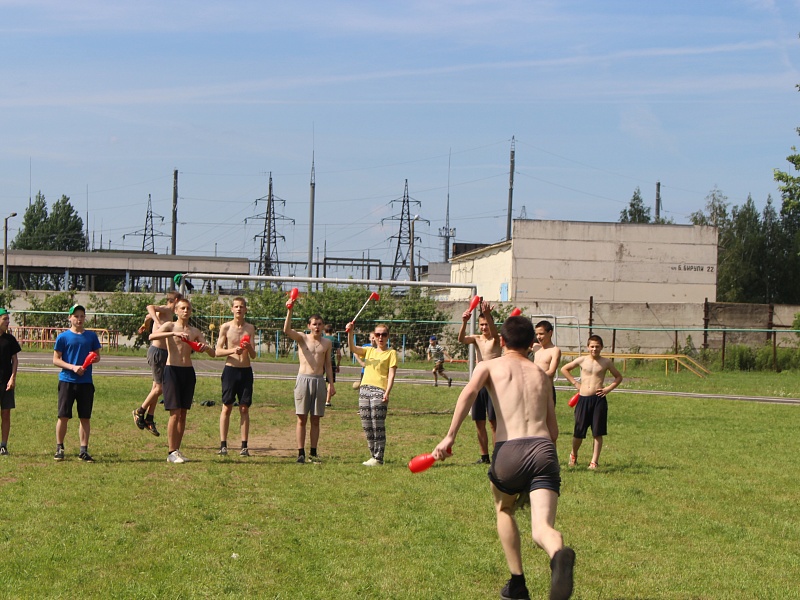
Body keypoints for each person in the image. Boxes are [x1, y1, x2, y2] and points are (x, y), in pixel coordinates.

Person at [433, 316, 575, 600]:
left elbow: (468, 394)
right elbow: (554, 429)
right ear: (531, 344)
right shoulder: (541, 375)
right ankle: (558, 554)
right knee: (542, 528)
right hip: (544, 449)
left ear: (501, 341)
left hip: (509, 449)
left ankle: (517, 583)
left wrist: (450, 436)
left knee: (504, 509)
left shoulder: (488, 366)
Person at [149, 298, 215, 463]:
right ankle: (171, 452)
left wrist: (205, 348)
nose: (186, 311)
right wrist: (173, 333)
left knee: (183, 414)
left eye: (188, 308)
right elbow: (152, 335)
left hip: (188, 372)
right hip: (172, 370)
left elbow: (211, 352)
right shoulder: (170, 326)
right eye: (182, 308)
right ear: (176, 311)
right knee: (175, 413)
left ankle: (177, 450)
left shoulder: (195, 331)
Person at [560, 334, 623, 470]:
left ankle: (594, 462)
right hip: (583, 398)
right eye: (592, 346)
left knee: (597, 432)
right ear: (588, 347)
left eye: (597, 346)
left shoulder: (606, 362)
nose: (594, 349)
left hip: (598, 399)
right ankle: (573, 454)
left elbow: (618, 377)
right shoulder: (582, 360)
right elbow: (564, 369)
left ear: (601, 347)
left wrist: (608, 389)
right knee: (579, 431)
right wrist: (575, 383)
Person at [284, 303, 335, 464]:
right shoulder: (302, 338)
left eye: (320, 324)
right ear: (309, 326)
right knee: (301, 418)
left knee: (315, 419)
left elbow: (328, 364)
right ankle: (300, 452)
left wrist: (331, 383)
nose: (317, 327)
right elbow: (286, 330)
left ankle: (313, 451)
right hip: (303, 379)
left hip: (319, 380)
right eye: (314, 324)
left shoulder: (327, 343)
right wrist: (289, 310)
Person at [53, 304, 102, 463]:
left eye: (82, 316)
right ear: (70, 318)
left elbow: (97, 356)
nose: (79, 319)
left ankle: (83, 450)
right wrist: (73, 367)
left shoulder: (91, 336)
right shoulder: (63, 337)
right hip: (68, 380)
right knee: (63, 416)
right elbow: (56, 359)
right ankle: (59, 447)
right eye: (76, 316)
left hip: (86, 382)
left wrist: (93, 359)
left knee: (85, 417)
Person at [132, 291, 182, 436]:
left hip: (164, 353)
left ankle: (150, 418)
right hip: (158, 352)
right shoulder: (166, 309)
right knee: (159, 388)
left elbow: (148, 317)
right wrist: (158, 322)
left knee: (156, 387)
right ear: (176, 300)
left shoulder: (169, 313)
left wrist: (146, 324)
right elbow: (149, 307)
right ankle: (139, 411)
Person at [347, 322, 397, 466]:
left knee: (377, 425)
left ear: (388, 337)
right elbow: (353, 348)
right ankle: (372, 455)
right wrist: (350, 333)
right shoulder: (369, 351)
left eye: (384, 334)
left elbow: (392, 375)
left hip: (379, 391)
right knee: (367, 424)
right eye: (378, 334)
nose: (380, 337)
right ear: (373, 337)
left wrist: (387, 392)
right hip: (364, 390)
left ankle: (378, 457)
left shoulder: (391, 353)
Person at [457, 300, 501, 464]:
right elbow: (461, 339)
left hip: (494, 385)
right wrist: (464, 322)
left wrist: (488, 314)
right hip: (478, 385)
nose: (484, 328)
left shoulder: (496, 339)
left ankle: (497, 456)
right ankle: (484, 457)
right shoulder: (476, 339)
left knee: (494, 422)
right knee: (479, 421)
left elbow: (495, 334)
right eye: (481, 325)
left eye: (486, 324)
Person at [215, 297, 257, 457]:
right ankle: (223, 445)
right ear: (232, 309)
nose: (239, 309)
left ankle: (244, 446)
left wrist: (247, 348)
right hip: (230, 370)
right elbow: (218, 351)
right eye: (236, 307)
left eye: (242, 307)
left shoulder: (250, 328)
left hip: (245, 371)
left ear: (246, 309)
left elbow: (253, 355)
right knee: (227, 406)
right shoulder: (225, 327)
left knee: (244, 408)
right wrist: (233, 350)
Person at [0, 308, 21, 456]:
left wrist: (12, 377)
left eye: (8, 319)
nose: (8, 322)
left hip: (5, 382)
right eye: (5, 319)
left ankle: (3, 445)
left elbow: (15, 360)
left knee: (6, 414)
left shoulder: (10, 340)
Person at [531, 320, 562, 406]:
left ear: (550, 333)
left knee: (547, 419)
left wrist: (533, 375)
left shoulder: (555, 350)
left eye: (541, 334)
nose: (538, 337)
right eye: (536, 334)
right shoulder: (535, 347)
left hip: (546, 390)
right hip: (534, 388)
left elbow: (551, 372)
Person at [322, 324, 342, 407]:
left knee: (318, 378)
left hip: (321, 361)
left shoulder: (322, 339)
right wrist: (338, 364)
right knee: (330, 381)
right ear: (332, 331)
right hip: (331, 361)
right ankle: (327, 401)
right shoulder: (335, 340)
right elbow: (338, 354)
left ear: (324, 330)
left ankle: (318, 397)